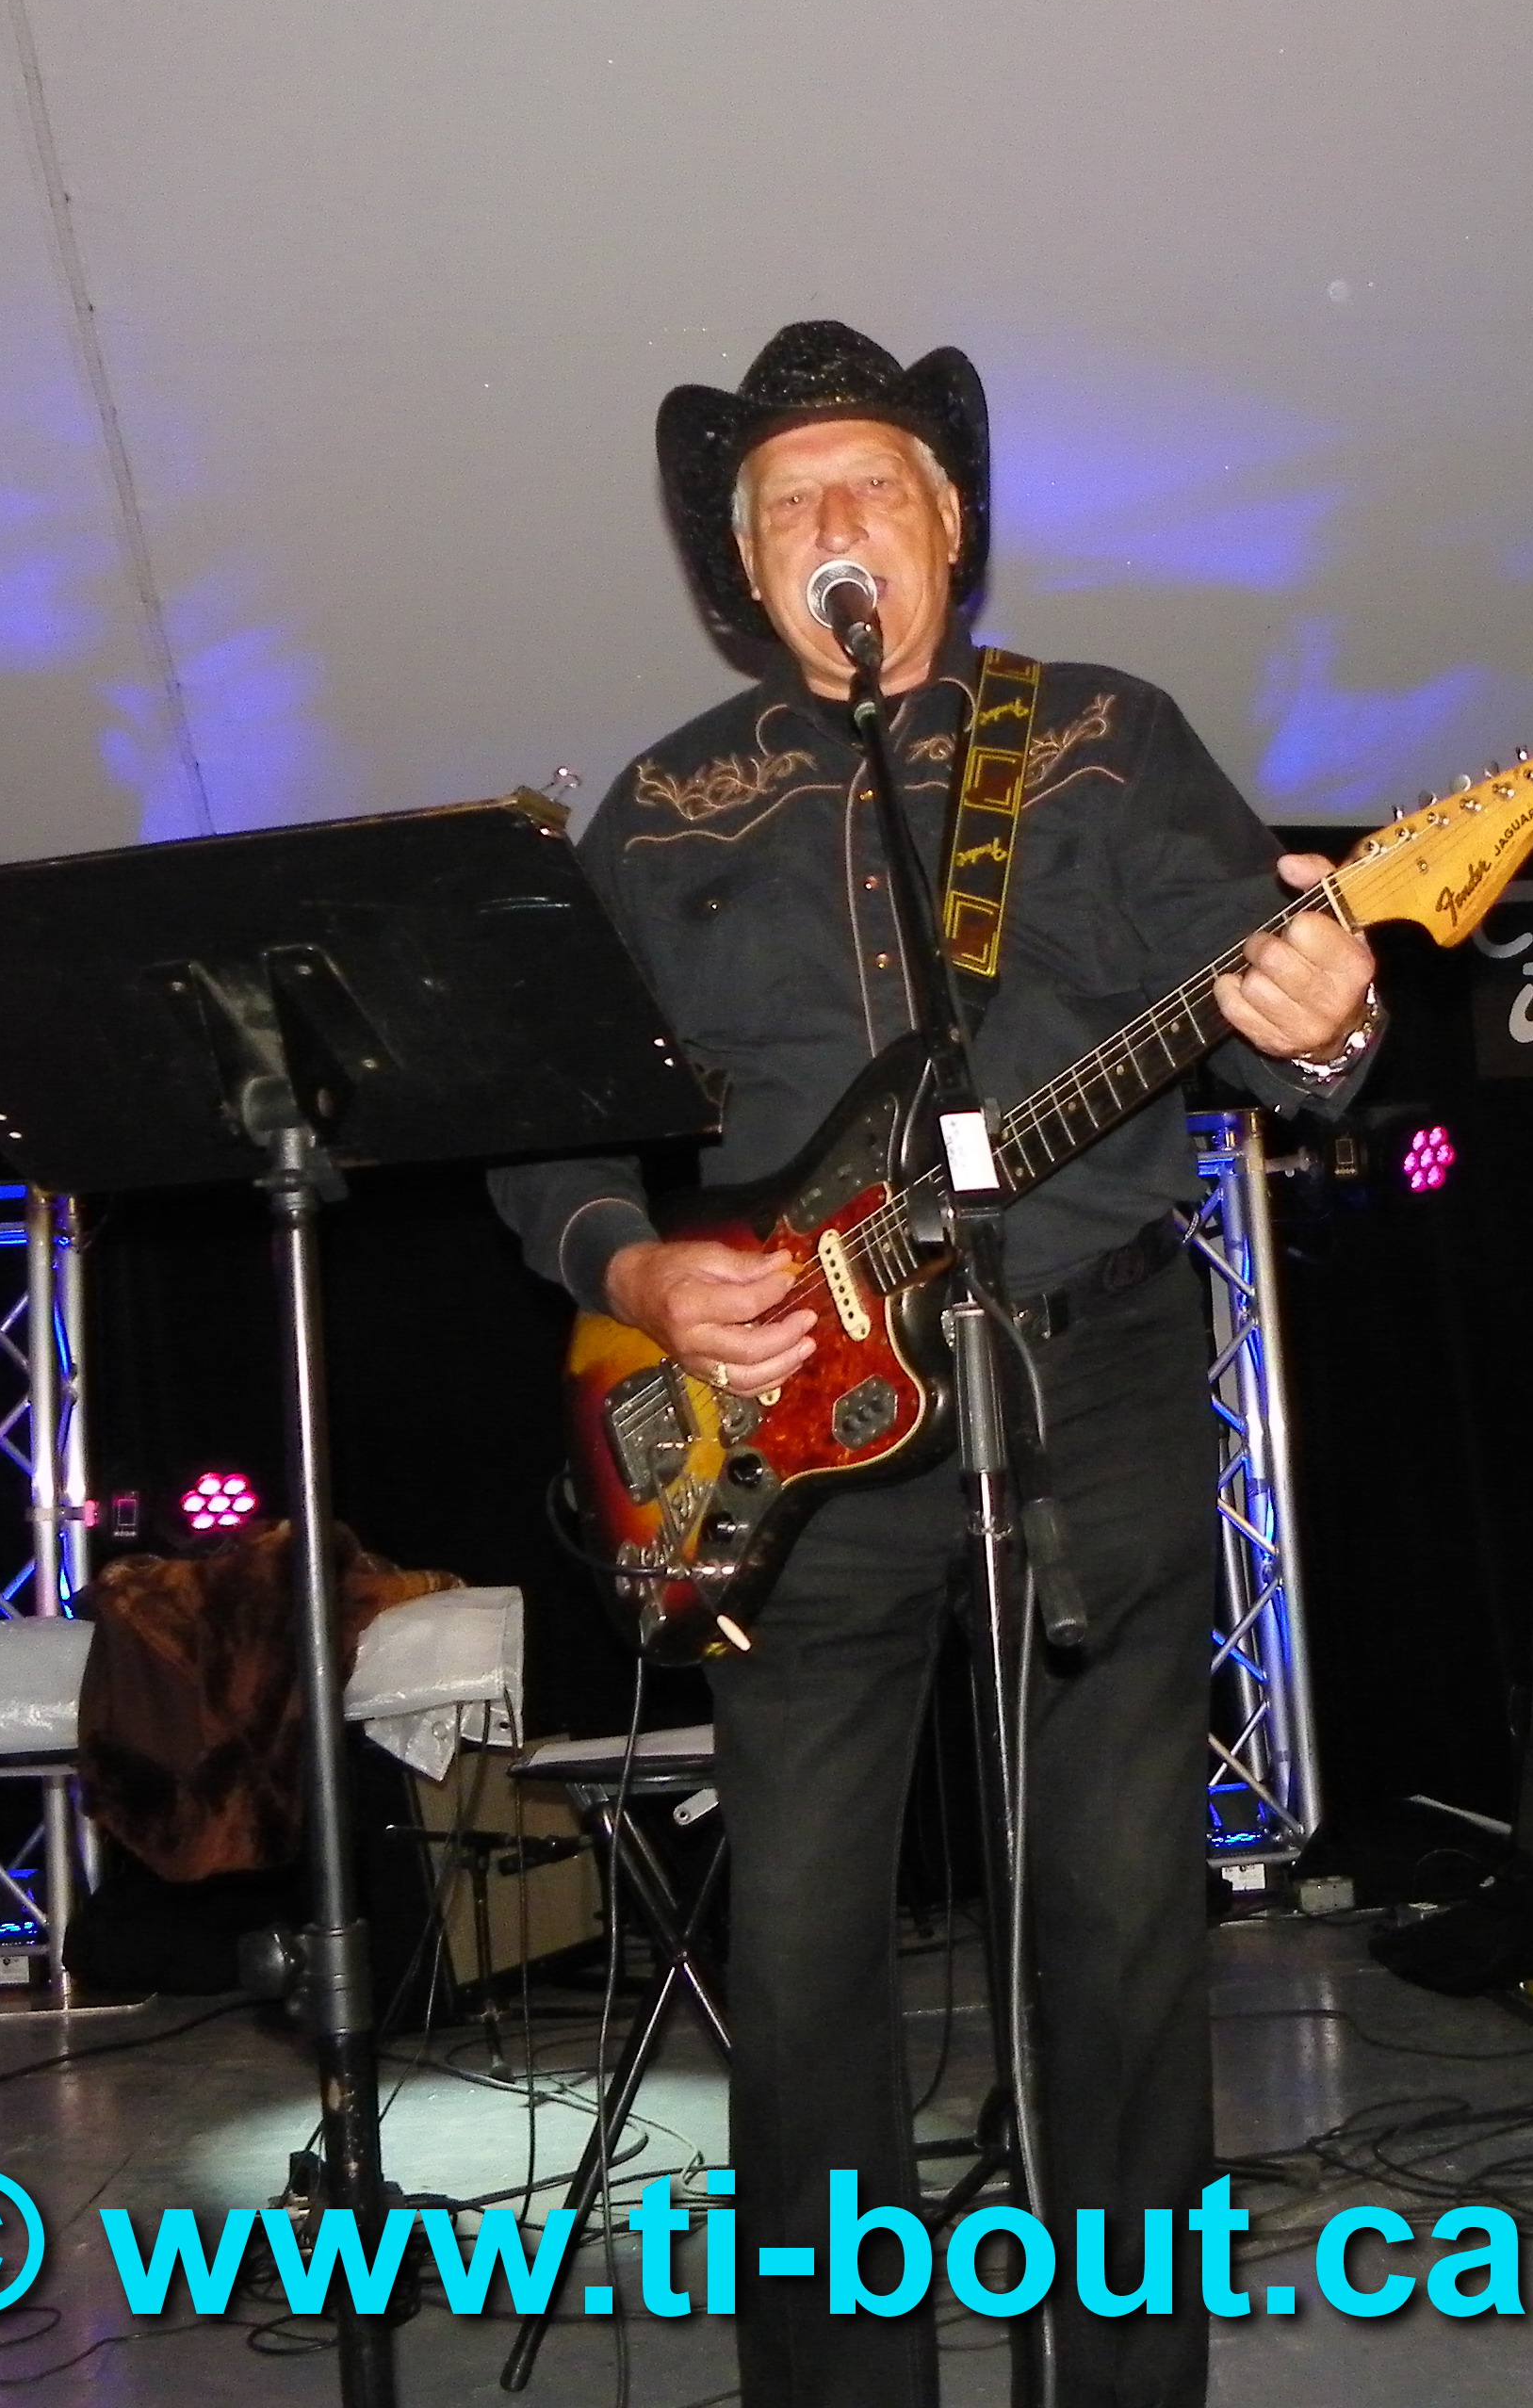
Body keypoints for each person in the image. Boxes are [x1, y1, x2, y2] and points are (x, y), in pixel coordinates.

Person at [491, 320, 1378, 2408]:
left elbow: (1269, 1009)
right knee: (801, 1958)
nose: (834, 521)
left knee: (1123, 1932)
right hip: (782, 1431)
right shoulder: (665, 804)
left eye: (870, 484)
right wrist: (642, 1267)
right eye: (788, 501)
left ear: (948, 527)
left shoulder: (1102, 735)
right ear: (742, 566)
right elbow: (537, 1133)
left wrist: (1330, 1017)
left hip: (1094, 1384)